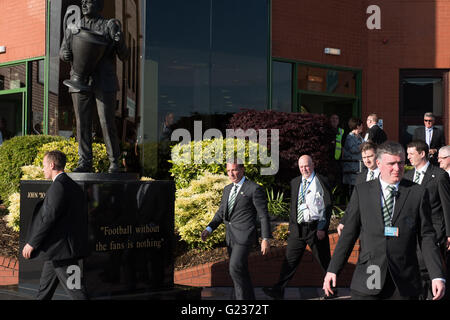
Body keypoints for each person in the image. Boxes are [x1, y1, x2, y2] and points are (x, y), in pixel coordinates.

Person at [323, 141, 445, 300]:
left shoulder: (417, 192)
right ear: (379, 163)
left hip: (405, 279)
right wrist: (333, 270)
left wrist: (437, 275)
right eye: (391, 163)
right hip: (370, 274)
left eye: (401, 163)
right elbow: (348, 234)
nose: (397, 168)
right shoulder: (362, 192)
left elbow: (427, 236)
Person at [60, 0, 129, 173]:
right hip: (80, 79)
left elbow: (125, 56)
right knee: (82, 123)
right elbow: (63, 51)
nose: (84, 5)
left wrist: (119, 41)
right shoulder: (73, 27)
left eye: (89, 2)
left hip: (104, 80)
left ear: (99, 5)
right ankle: (85, 162)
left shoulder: (109, 25)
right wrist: (65, 54)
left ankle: (114, 162)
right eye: (82, 2)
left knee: (107, 122)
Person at [263, 155, 332, 299]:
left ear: (313, 165)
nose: (304, 169)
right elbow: (293, 206)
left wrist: (322, 227)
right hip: (297, 230)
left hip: (315, 229)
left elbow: (328, 206)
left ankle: (331, 290)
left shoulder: (321, 180)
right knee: (289, 261)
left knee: (325, 261)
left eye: (306, 166)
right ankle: (278, 291)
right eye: (301, 167)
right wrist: (291, 225)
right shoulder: (295, 182)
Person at [22, 150, 89, 300]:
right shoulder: (73, 186)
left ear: (52, 165)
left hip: (62, 251)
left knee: (77, 291)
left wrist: (32, 243)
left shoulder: (58, 186)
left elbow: (49, 218)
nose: (43, 169)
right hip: (58, 250)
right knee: (44, 290)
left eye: (44, 165)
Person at [201, 161, 271, 300]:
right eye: (228, 171)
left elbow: (263, 215)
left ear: (242, 169)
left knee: (234, 268)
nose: (231, 174)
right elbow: (221, 213)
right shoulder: (227, 189)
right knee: (242, 271)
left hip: (245, 236)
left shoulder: (254, 188)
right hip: (231, 237)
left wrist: (265, 238)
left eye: (234, 170)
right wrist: (209, 228)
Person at [405, 140, 450, 299]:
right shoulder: (407, 175)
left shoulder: (439, 175)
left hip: (434, 232)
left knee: (431, 269)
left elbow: (446, 206)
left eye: (411, 153)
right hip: (412, 231)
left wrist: (448, 234)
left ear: (422, 154)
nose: (408, 157)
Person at [337, 141, 379, 236]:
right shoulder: (360, 177)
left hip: (380, 226)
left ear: (377, 155)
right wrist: (343, 221)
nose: (367, 160)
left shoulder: (385, 175)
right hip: (363, 227)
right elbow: (353, 202)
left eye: (370, 156)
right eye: (364, 157)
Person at [342, 118, 364, 194]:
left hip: (360, 167)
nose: (362, 127)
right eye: (361, 125)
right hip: (352, 169)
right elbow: (354, 150)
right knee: (352, 191)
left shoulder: (360, 137)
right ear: (357, 126)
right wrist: (364, 145)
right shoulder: (350, 137)